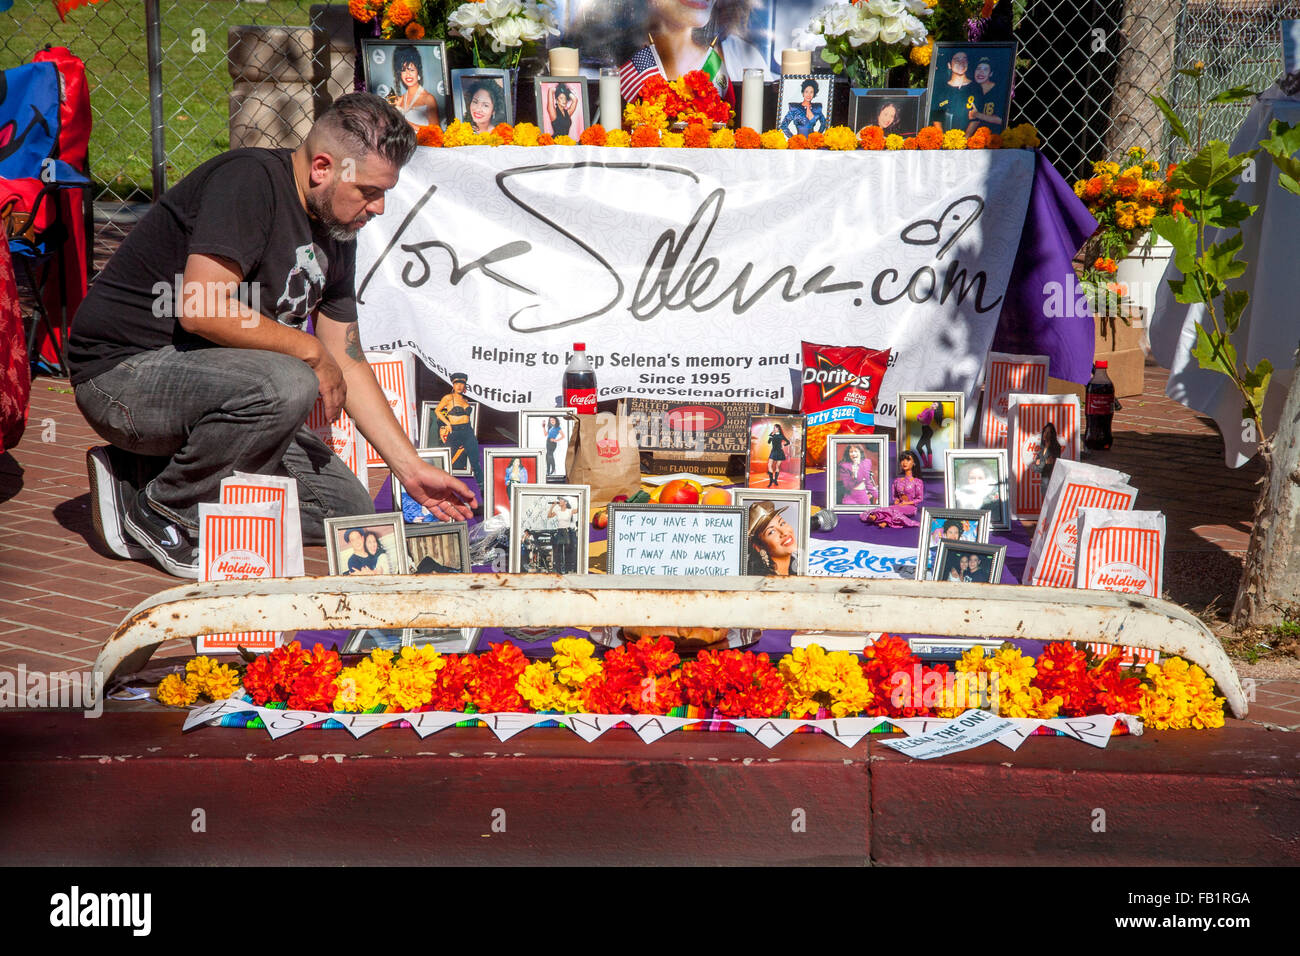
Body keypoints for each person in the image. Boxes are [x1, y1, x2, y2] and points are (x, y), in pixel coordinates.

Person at [71, 93, 476, 578]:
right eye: (369, 191)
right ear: (322, 167)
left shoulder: (337, 227)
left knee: (344, 510)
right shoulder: (249, 181)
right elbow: (201, 307)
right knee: (288, 381)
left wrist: (410, 470)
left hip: (213, 385)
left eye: (385, 192)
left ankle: (143, 476)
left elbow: (346, 358)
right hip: (122, 377)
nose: (380, 207)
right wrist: (309, 349)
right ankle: (165, 510)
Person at [434, 372, 483, 486]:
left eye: (462, 383)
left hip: (468, 430)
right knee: (447, 458)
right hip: (455, 431)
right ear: (453, 385)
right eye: (457, 383)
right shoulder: (448, 398)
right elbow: (437, 411)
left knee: (475, 460)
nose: (459, 386)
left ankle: (482, 486)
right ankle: (438, 483)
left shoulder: (465, 400)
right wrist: (447, 423)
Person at [391, 45, 440, 129]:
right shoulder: (400, 100)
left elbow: (435, 132)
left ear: (418, 72)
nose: (408, 74)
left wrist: (407, 123)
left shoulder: (428, 99)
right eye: (403, 70)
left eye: (411, 70)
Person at [746, 499, 799, 576]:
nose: (784, 533)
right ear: (759, 547)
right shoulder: (758, 578)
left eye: (782, 523)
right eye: (771, 532)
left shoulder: (797, 566)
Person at [929, 50, 975, 133]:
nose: (961, 62)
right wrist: (942, 138)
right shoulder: (941, 89)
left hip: (970, 139)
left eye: (964, 59)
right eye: (957, 60)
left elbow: (977, 119)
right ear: (949, 65)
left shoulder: (975, 87)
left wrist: (966, 139)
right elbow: (936, 118)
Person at [965, 57, 1004, 136]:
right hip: (977, 137)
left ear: (991, 74)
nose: (981, 72)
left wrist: (977, 114)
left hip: (995, 137)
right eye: (978, 69)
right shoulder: (973, 90)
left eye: (985, 69)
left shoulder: (999, 91)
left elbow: (1000, 120)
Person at [548, 496, 577, 573]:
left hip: (567, 531)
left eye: (561, 500)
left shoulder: (569, 511)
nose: (559, 501)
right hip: (560, 531)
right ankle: (559, 570)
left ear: (565, 502)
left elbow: (580, 509)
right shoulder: (557, 511)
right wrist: (552, 506)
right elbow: (549, 516)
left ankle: (567, 569)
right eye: (559, 500)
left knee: (567, 551)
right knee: (558, 552)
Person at [914, 401, 946, 469]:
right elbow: (919, 415)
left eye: (935, 406)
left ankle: (927, 464)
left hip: (928, 431)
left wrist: (920, 418)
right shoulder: (926, 409)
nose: (933, 406)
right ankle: (929, 465)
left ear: (936, 408)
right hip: (925, 430)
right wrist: (919, 418)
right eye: (934, 404)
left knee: (919, 447)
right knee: (928, 447)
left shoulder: (932, 412)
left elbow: (925, 420)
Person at [1032, 421, 1062, 486]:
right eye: (1045, 431)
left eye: (1048, 432)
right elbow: (1035, 469)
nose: (1045, 434)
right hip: (1044, 478)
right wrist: (1042, 462)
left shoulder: (1056, 447)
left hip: (1052, 478)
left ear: (1052, 435)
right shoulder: (1042, 448)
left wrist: (1040, 462)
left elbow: (1051, 463)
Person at [764, 422, 791, 488]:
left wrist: (784, 445)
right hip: (773, 451)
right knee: (769, 465)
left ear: (778, 428)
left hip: (779, 451)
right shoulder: (772, 434)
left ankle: (775, 480)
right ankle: (771, 481)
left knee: (777, 466)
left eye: (775, 427)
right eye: (774, 427)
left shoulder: (781, 435)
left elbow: (788, 442)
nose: (774, 429)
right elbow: (769, 442)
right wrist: (771, 435)